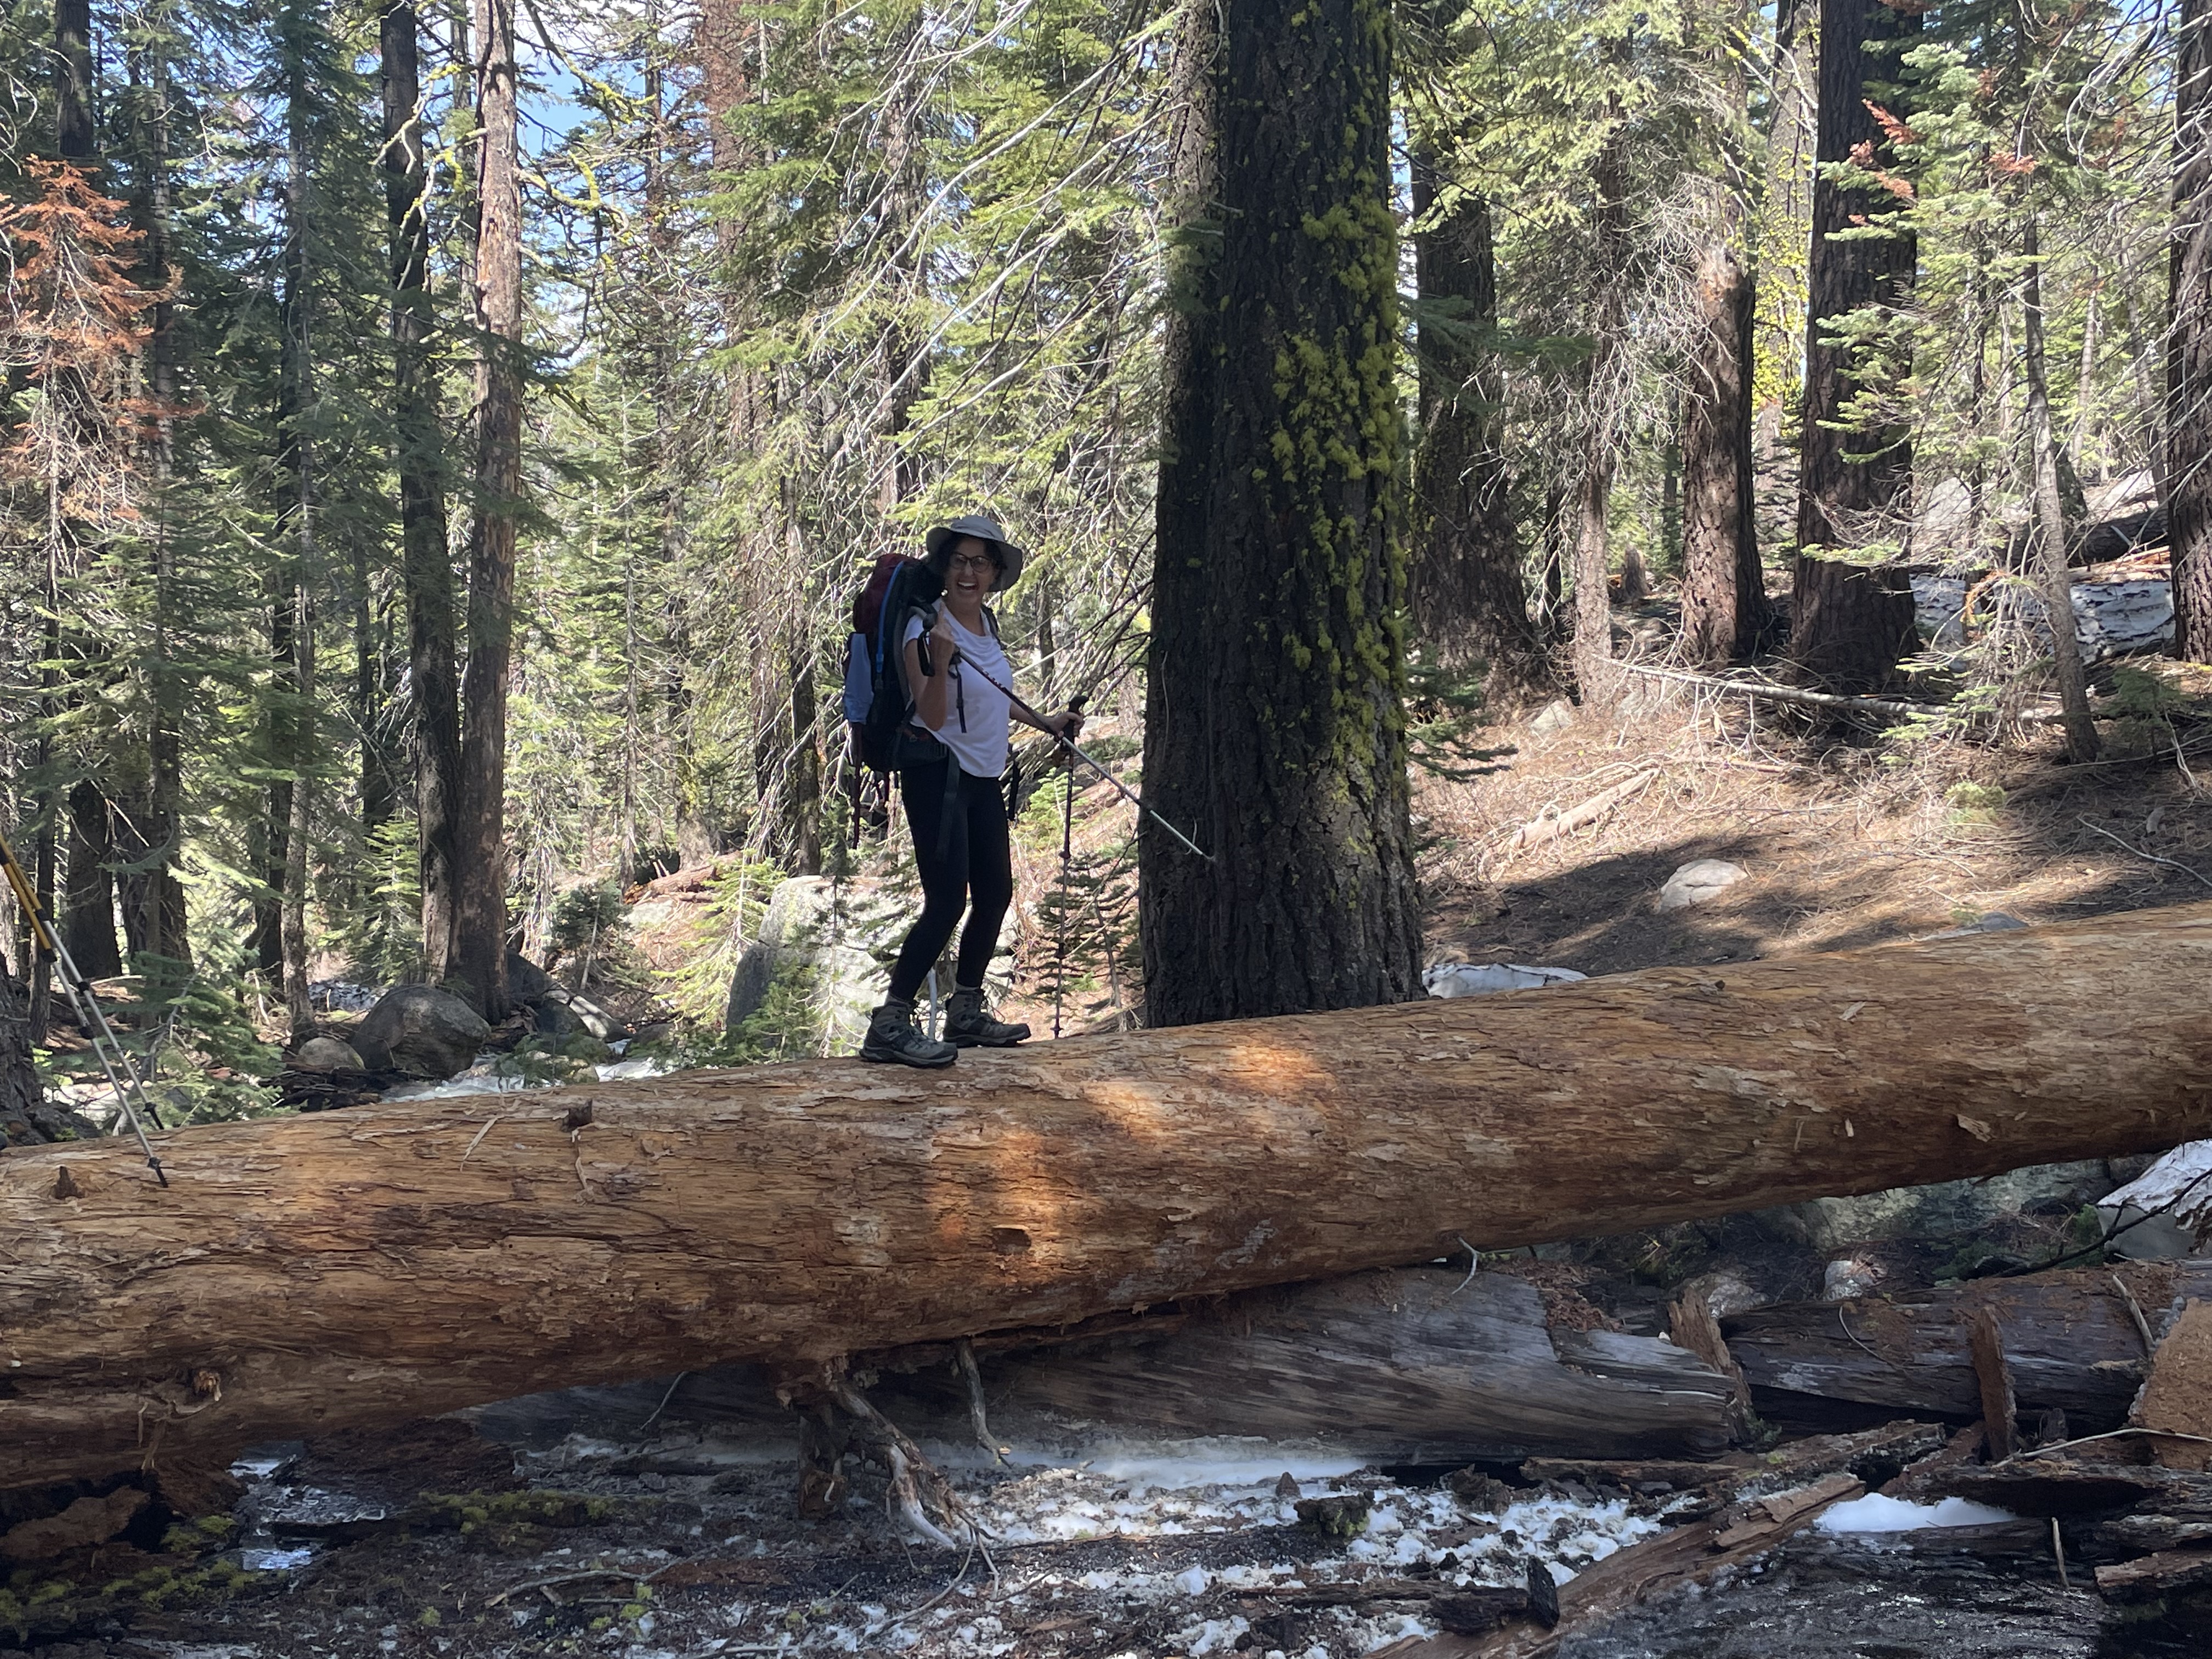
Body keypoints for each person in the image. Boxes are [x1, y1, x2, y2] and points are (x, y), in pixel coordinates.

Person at [861, 515, 1082, 1067]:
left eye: (980, 562)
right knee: (945, 903)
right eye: (959, 560)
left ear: (995, 572)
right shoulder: (923, 628)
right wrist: (938, 663)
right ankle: (889, 1023)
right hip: (937, 775)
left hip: (983, 777)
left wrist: (1046, 722)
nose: (968, 572)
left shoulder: (985, 622)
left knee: (995, 895)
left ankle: (965, 1011)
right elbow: (934, 715)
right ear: (945, 567)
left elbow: (991, 696)